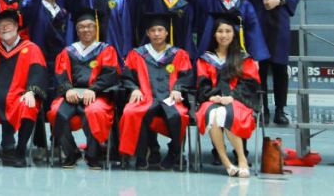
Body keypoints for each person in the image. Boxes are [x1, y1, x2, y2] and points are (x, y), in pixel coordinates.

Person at [0, 8, 47, 168]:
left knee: (28, 106)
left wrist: (31, 91)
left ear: (17, 26)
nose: (4, 28)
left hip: (21, 96)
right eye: (0, 25)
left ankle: (20, 150)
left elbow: (38, 73)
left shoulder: (31, 49)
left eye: (8, 24)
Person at [119, 13, 193, 171]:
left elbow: (186, 76)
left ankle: (174, 152)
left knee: (178, 115)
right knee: (131, 112)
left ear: (167, 32)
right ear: (147, 33)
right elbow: (126, 77)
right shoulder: (137, 54)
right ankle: (141, 153)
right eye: (153, 30)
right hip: (146, 97)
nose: (157, 34)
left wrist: (178, 89)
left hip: (170, 98)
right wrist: (134, 88)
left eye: (160, 30)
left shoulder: (179, 54)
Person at [48, 12, 120, 169]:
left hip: (97, 95)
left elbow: (110, 74)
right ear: (76, 31)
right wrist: (68, 90)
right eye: (81, 27)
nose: (86, 30)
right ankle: (71, 152)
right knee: (55, 112)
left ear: (96, 29)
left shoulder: (106, 50)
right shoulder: (68, 51)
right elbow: (61, 73)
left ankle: (93, 154)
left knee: (95, 112)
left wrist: (94, 89)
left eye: (89, 26)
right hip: (71, 95)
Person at [196, 13, 260, 178]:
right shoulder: (205, 59)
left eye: (228, 31)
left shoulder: (244, 58)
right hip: (212, 100)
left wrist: (231, 97)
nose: (224, 35)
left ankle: (241, 158)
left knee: (223, 113)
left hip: (238, 100)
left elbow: (250, 84)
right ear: (214, 34)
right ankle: (227, 162)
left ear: (234, 34)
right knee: (213, 112)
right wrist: (212, 96)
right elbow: (202, 83)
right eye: (220, 31)